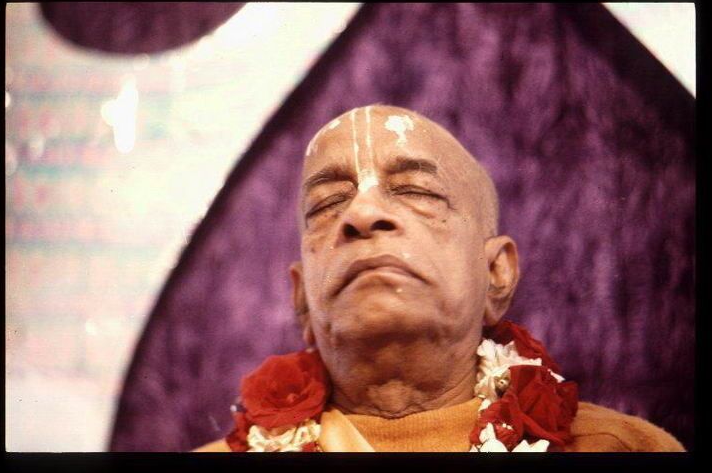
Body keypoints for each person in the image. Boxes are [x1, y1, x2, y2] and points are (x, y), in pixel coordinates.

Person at [195, 105, 685, 453]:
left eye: (415, 190)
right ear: (302, 297)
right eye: (327, 204)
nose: (361, 214)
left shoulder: (623, 447)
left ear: (496, 272)